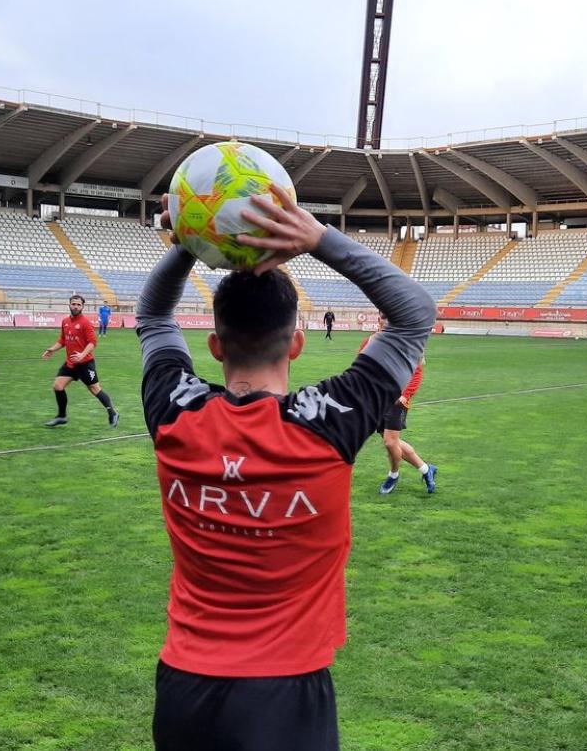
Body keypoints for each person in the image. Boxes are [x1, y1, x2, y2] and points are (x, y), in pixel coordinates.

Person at [137, 184, 434, 751]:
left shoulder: (175, 413)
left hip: (183, 687)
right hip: (284, 692)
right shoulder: (330, 423)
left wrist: (189, 240)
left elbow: (152, 314)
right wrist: (316, 238)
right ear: (296, 343)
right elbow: (415, 314)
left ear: (215, 346)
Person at [362, 315, 437, 495]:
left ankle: (393, 475)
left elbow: (417, 372)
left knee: (390, 442)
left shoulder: (407, 342)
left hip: (397, 401)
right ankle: (426, 469)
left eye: (388, 318)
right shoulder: (372, 340)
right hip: (378, 399)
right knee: (393, 443)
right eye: (381, 317)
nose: (383, 321)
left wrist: (405, 395)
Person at [41, 295, 119, 428]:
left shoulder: (85, 323)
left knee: (95, 389)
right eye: (73, 304)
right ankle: (62, 416)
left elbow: (93, 343)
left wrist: (82, 355)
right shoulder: (65, 321)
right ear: (69, 305)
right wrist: (52, 349)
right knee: (58, 386)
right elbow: (63, 340)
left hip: (85, 364)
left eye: (78, 304)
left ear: (82, 306)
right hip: (71, 363)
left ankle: (112, 413)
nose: (75, 306)